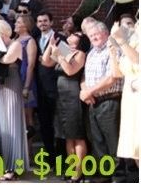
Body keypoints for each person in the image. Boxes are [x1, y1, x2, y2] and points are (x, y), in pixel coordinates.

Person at [80, 21, 125, 182]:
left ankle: (119, 177)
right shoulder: (92, 52)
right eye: (91, 35)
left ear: (106, 33)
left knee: (113, 142)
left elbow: (112, 78)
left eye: (96, 34)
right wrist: (84, 90)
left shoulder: (113, 50)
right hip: (93, 102)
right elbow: (85, 76)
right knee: (98, 142)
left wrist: (89, 92)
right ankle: (104, 177)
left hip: (109, 101)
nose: (93, 37)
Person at [42, 32, 88, 182]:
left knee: (77, 136)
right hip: (61, 97)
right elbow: (46, 62)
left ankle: (79, 172)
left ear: (80, 40)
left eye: (76, 34)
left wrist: (60, 56)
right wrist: (51, 46)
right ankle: (72, 168)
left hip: (73, 96)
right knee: (67, 136)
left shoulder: (80, 54)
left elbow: (70, 70)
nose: (71, 35)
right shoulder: (63, 50)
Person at [0, 19, 29, 181]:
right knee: (0, 123)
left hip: (12, 85)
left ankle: (13, 166)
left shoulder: (16, 44)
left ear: (3, 33)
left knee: (12, 124)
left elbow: (6, 60)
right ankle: (3, 162)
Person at [35, 11, 66, 164]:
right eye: (40, 21)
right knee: (45, 125)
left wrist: (49, 59)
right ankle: (50, 159)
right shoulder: (35, 39)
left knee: (59, 126)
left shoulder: (61, 38)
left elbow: (66, 58)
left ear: (51, 22)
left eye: (45, 21)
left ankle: (61, 160)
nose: (42, 23)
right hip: (40, 90)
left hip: (57, 87)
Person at [108, 22, 139, 164]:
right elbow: (118, 73)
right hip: (130, 100)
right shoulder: (130, 43)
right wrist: (113, 52)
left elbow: (138, 60)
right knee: (134, 149)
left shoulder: (128, 44)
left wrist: (121, 40)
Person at [14, 14, 38, 147]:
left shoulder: (30, 41)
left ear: (26, 25)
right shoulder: (15, 39)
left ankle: (28, 152)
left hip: (26, 80)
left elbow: (31, 64)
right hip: (14, 78)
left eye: (18, 22)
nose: (15, 24)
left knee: (28, 117)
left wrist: (27, 86)